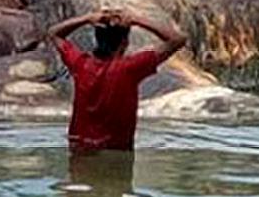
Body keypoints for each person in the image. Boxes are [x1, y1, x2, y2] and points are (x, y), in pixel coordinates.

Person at [47, 9, 187, 151]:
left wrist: (87, 18)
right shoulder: (131, 68)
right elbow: (177, 39)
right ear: (125, 42)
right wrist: (137, 20)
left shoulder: (80, 64)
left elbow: (54, 33)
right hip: (117, 150)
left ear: (97, 40)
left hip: (80, 148)